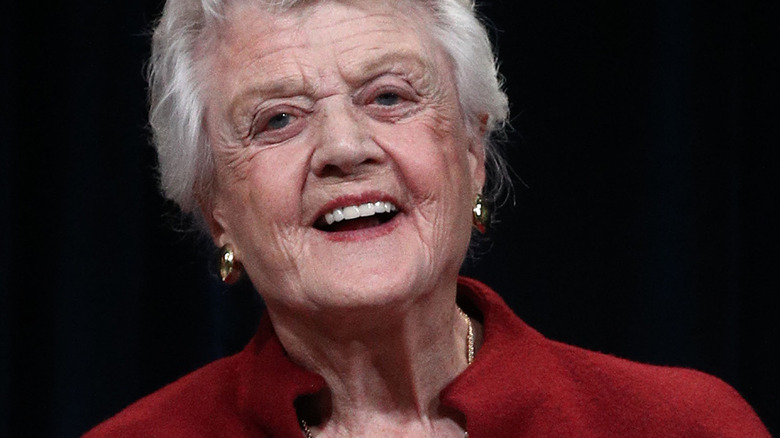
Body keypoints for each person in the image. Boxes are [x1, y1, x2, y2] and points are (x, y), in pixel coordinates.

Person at [85, 0, 770, 436]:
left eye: (388, 96)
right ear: (215, 209)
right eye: (279, 119)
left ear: (472, 152)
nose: (345, 149)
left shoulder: (682, 426)